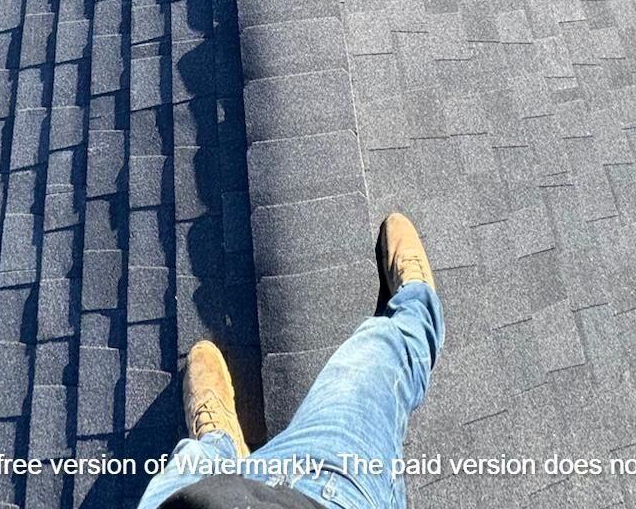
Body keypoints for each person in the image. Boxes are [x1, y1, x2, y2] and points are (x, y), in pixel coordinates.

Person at [137, 214, 444, 509]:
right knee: (378, 355)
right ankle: (417, 309)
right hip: (323, 491)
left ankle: (219, 448)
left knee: (194, 459)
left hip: (186, 500)